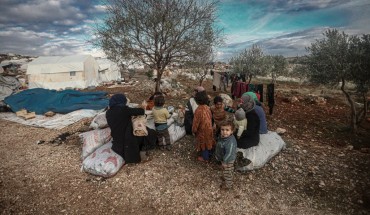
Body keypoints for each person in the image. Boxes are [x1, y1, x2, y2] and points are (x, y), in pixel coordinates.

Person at [106, 94, 156, 164]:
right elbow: (140, 111)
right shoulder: (124, 110)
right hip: (127, 140)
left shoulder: (108, 112)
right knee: (149, 133)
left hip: (117, 140)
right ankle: (143, 151)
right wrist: (142, 106)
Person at [192, 91, 215, 162]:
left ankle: (205, 158)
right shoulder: (207, 107)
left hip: (202, 131)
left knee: (203, 143)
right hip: (209, 128)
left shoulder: (198, 110)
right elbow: (211, 117)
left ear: (197, 101)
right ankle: (210, 153)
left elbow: (196, 122)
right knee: (209, 141)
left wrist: (194, 130)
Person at [215, 120, 237, 190]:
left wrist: (224, 162)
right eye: (222, 129)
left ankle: (228, 185)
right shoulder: (222, 137)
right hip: (222, 157)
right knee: (224, 170)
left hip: (228, 160)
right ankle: (225, 176)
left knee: (228, 172)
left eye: (227, 130)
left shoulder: (230, 142)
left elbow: (229, 153)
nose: (224, 132)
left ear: (232, 131)